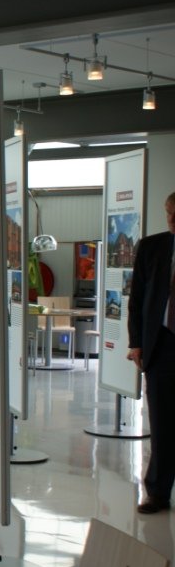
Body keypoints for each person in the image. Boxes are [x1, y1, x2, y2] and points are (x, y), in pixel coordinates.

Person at [127, 191, 175, 514]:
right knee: (162, 421)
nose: (171, 219)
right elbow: (137, 299)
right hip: (162, 344)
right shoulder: (152, 247)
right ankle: (157, 491)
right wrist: (136, 343)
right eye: (168, 212)